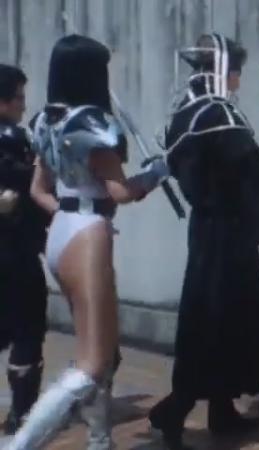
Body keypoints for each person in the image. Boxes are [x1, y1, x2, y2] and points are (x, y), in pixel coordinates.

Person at [5, 34, 169, 450]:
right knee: (93, 362)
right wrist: (158, 172)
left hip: (65, 229)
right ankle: (20, 444)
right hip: (88, 234)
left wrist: (71, 210)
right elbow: (121, 192)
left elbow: (39, 190)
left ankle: (100, 441)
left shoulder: (45, 120)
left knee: (102, 350)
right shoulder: (93, 123)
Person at [148, 33, 259, 449]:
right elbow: (248, 174)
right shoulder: (218, 113)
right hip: (227, 232)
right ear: (225, 70)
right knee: (216, 322)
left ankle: (222, 413)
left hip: (208, 229)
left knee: (226, 319)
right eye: (236, 70)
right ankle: (173, 412)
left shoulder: (185, 112)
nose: (239, 79)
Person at [0, 64, 50, 435]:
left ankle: (21, 412)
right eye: (18, 97)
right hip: (14, 251)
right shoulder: (14, 141)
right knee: (28, 330)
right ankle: (22, 414)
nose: (23, 104)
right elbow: (27, 186)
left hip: (16, 247)